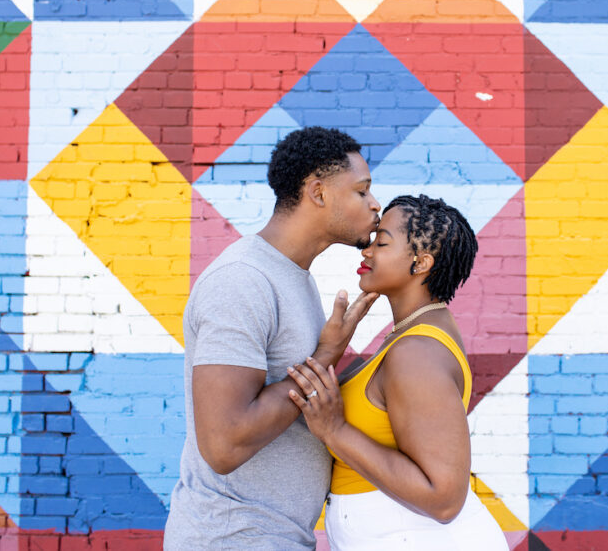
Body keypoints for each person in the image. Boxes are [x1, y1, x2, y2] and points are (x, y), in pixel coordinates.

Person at [164, 127, 381, 550]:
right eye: (361, 191)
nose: (374, 204)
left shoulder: (292, 277)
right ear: (318, 192)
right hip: (231, 538)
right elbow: (224, 443)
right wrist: (326, 354)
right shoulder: (243, 281)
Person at [287, 194, 508, 550]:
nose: (367, 251)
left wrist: (335, 430)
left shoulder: (416, 353)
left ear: (420, 263)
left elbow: (444, 499)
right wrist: (334, 348)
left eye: (382, 242)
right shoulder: (414, 335)